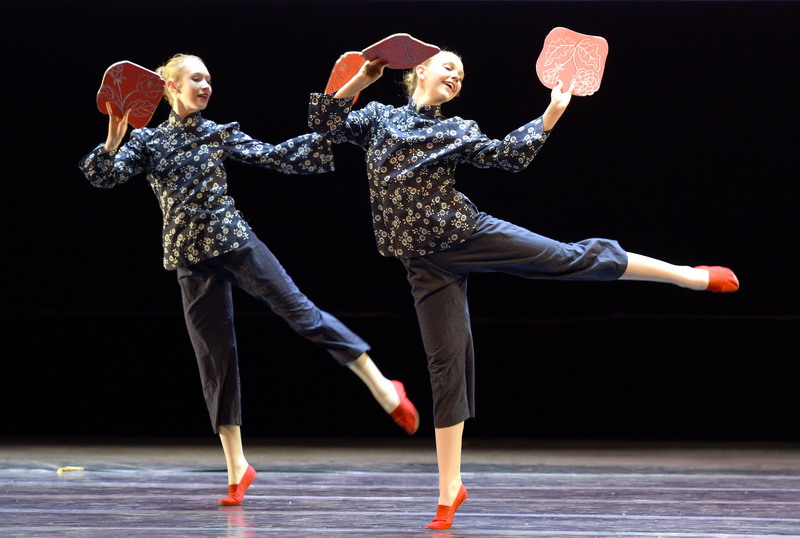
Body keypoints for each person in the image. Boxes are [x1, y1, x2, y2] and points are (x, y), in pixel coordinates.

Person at [308, 49, 739, 529]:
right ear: (419, 70)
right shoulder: (378, 118)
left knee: (567, 258)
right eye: (449, 66)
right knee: (445, 361)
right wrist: (360, 79)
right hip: (422, 263)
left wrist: (552, 111)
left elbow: (506, 157)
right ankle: (450, 487)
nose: (456, 76)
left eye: (462, 75)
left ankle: (687, 275)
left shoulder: (458, 129)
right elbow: (323, 121)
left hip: (469, 234)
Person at [79, 53, 419, 506]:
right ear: (172, 88)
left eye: (208, 79)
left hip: (236, 244)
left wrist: (331, 120)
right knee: (214, 357)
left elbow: (276, 155)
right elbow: (102, 177)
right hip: (190, 259)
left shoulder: (218, 132)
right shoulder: (148, 142)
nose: (206, 86)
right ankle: (237, 466)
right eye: (196, 79)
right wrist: (112, 140)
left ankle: (381, 385)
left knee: (301, 314)